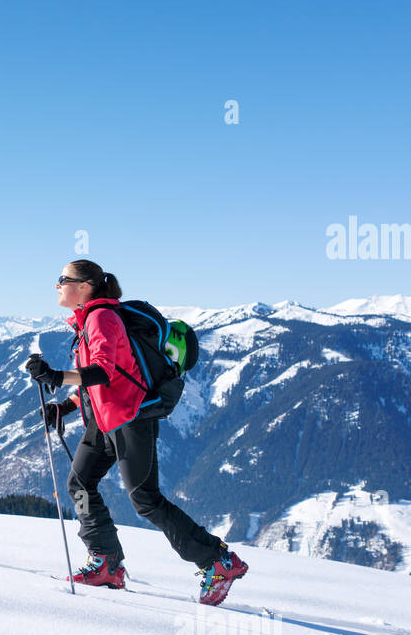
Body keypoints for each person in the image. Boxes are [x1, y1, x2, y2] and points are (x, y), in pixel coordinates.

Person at [25, 259, 249, 606]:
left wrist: (57, 375)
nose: (57, 285)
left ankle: (218, 561)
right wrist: (64, 408)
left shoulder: (102, 318)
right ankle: (107, 563)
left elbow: (103, 371)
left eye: (62, 279)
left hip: (131, 418)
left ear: (84, 285)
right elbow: (99, 383)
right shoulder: (88, 320)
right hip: (105, 420)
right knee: (80, 483)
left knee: (145, 499)